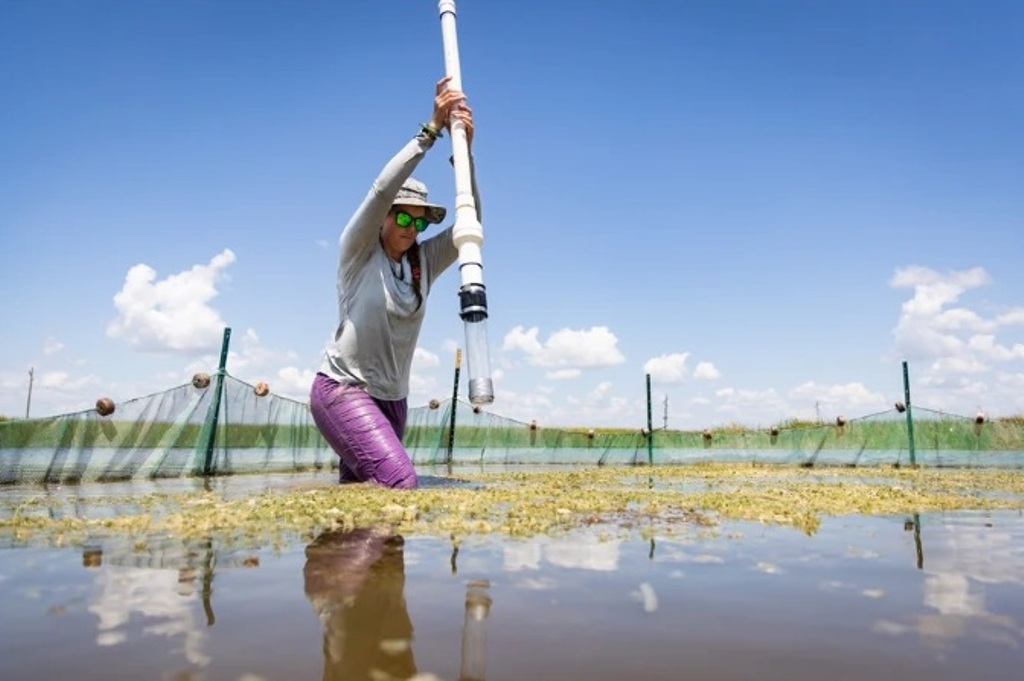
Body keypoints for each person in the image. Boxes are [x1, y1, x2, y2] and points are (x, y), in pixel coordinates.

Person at [310, 76, 481, 489]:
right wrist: (432, 131)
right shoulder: (358, 252)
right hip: (344, 390)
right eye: (402, 215)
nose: (411, 226)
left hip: (394, 401)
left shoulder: (423, 260)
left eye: (419, 219)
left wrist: (464, 155)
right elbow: (381, 188)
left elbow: (471, 224)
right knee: (400, 484)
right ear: (384, 218)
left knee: (361, 504)